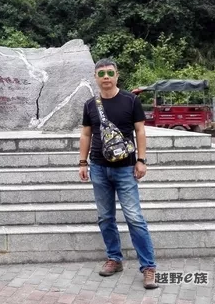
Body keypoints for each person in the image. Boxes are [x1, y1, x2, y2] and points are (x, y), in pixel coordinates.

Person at [78, 58, 158, 289]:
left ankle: (148, 267)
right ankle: (114, 258)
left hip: (125, 168)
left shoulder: (130, 100)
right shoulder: (90, 104)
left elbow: (140, 132)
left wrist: (142, 160)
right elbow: (85, 134)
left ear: (117, 75)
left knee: (134, 217)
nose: (105, 77)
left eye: (109, 72)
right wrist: (83, 163)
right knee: (105, 217)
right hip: (99, 168)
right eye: (101, 73)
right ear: (95, 77)